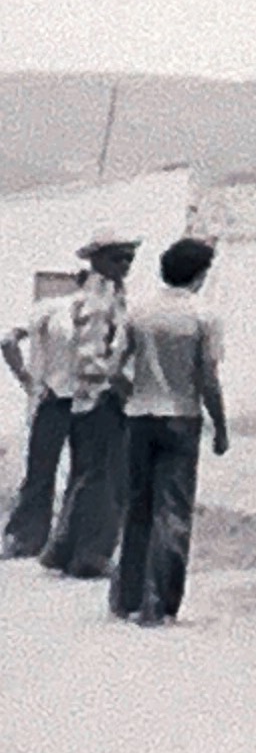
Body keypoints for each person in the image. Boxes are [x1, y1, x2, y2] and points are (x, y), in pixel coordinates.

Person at [111, 236, 229, 625]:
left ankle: (126, 598)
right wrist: (220, 426)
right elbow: (208, 378)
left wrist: (132, 396)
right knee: (172, 510)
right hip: (181, 416)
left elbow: (113, 370)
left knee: (138, 508)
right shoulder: (203, 315)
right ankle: (158, 602)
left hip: (140, 416)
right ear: (199, 273)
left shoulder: (140, 310)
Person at [40, 230, 139, 578]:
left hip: (90, 399)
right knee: (107, 479)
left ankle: (63, 548)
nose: (125, 264)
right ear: (97, 259)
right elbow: (92, 355)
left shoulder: (109, 293)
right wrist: (120, 388)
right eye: (117, 258)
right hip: (102, 398)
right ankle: (90, 555)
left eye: (129, 258)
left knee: (88, 474)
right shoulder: (99, 300)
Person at [2, 281, 79, 557]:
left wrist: (27, 380)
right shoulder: (59, 308)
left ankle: (29, 539)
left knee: (42, 471)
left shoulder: (51, 308)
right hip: (73, 399)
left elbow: (8, 341)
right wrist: (27, 381)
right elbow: (8, 341)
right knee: (71, 473)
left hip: (60, 397)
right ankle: (60, 540)